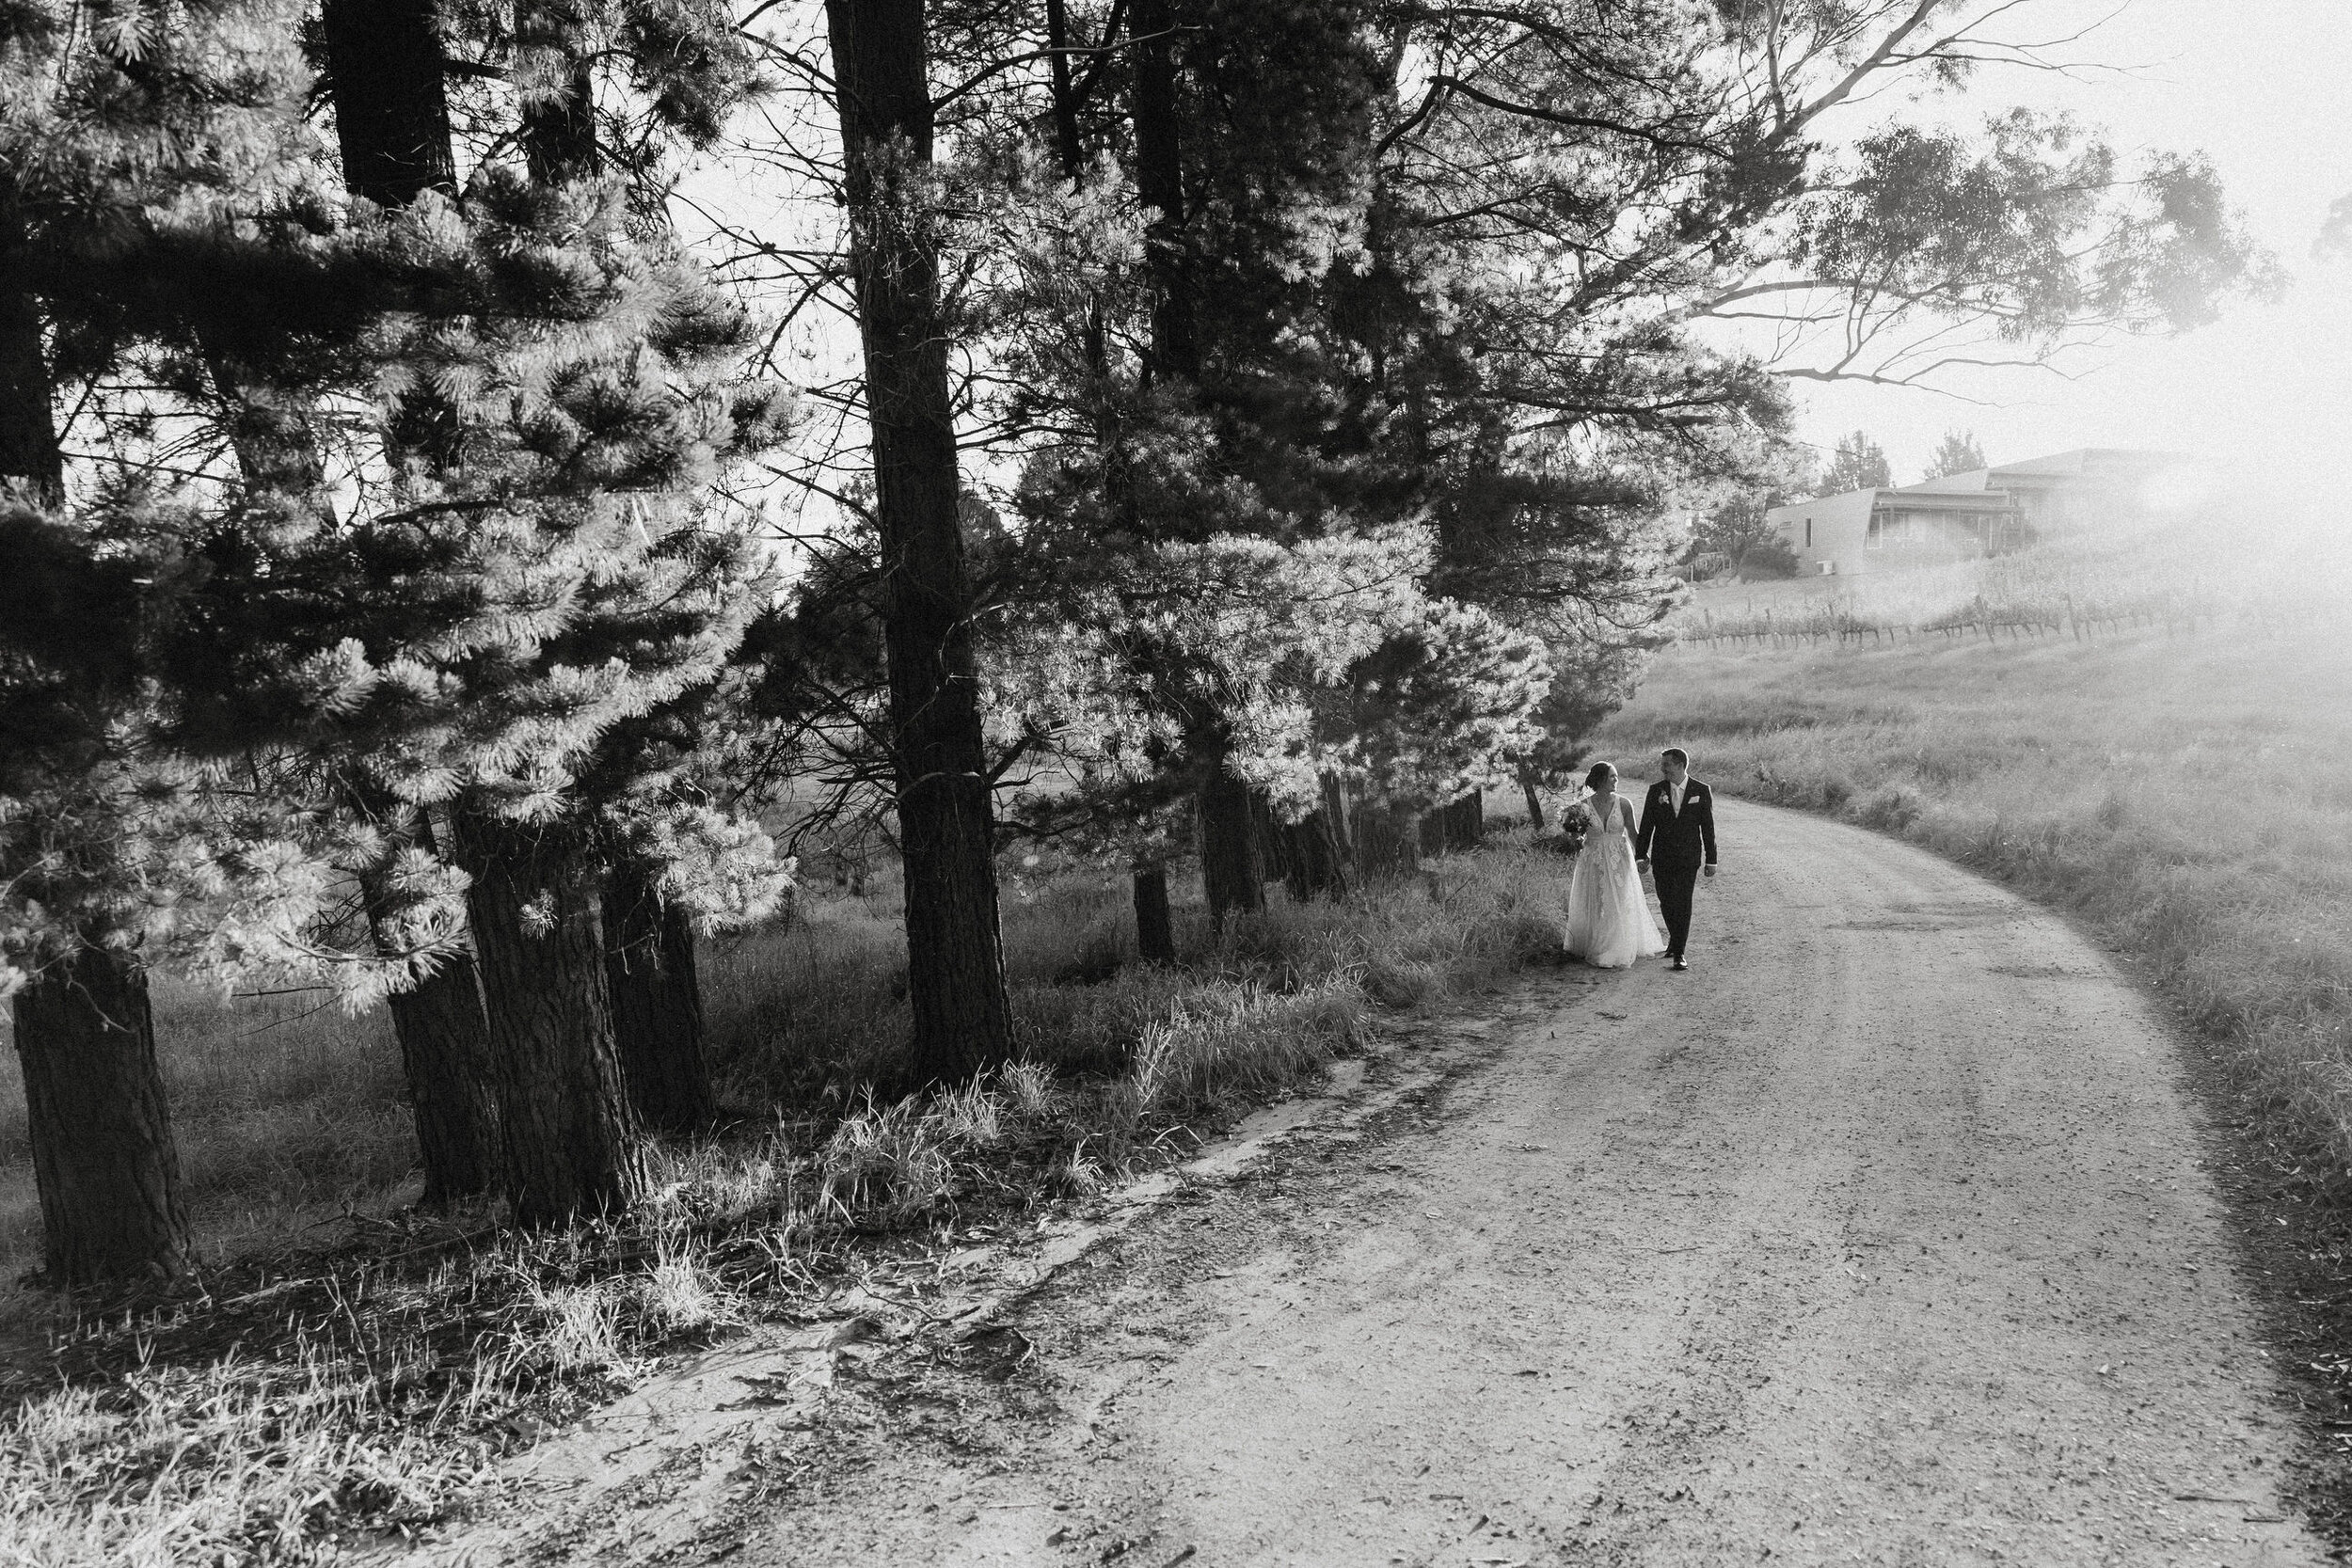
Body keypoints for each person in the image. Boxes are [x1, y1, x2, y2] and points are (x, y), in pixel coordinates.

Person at [1564, 761, 1667, 968]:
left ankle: (1616, 946)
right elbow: (1574, 835)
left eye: (1617, 777)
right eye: (1612, 776)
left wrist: (1643, 856)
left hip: (1618, 857)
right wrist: (1574, 837)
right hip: (1593, 858)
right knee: (1597, 899)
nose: (1616, 781)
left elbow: (1633, 833)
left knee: (1617, 898)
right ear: (1600, 779)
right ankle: (1596, 944)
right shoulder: (1582, 806)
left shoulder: (1624, 804)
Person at [1635, 746, 1719, 972]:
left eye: (1667, 765)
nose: (1663, 769)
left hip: (1688, 858)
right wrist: (1641, 855)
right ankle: (1675, 938)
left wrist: (1711, 859)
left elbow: (1708, 828)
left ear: (1681, 765)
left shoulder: (1701, 790)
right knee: (1665, 901)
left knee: (1683, 902)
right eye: (1662, 765)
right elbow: (1646, 825)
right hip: (1662, 857)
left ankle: (1679, 952)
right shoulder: (1656, 791)